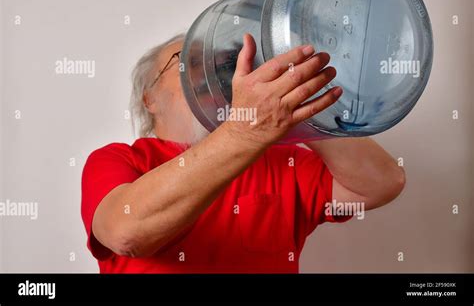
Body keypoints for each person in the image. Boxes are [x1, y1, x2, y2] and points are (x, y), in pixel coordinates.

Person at [81, 33, 406, 273]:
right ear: (149, 99)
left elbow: (381, 182)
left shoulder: (282, 161)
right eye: (187, 63)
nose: (207, 74)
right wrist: (245, 131)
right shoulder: (117, 160)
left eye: (216, 64)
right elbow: (127, 233)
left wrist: (296, 109)